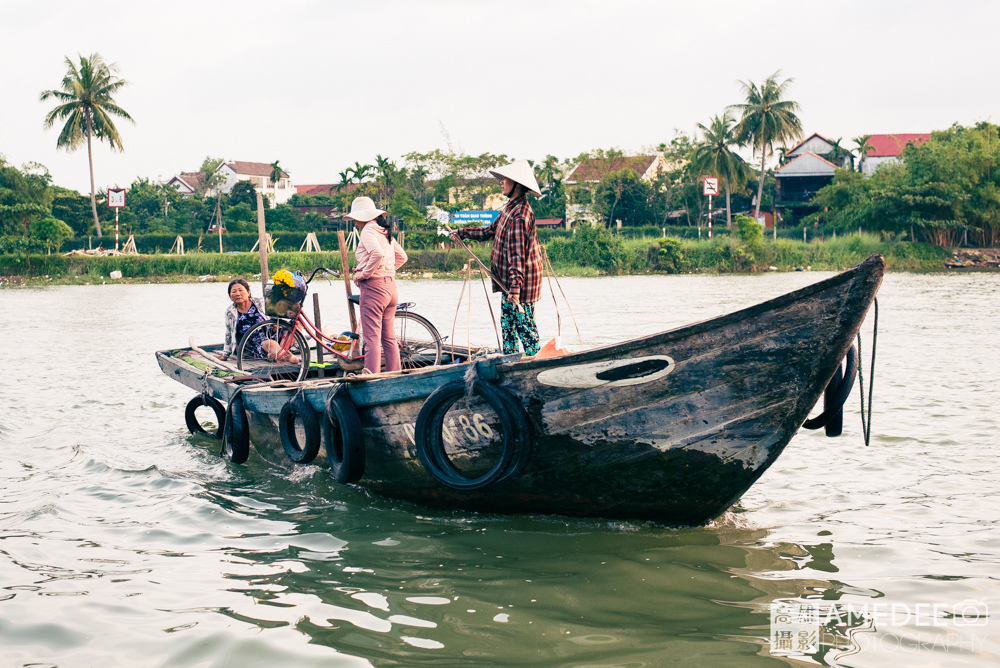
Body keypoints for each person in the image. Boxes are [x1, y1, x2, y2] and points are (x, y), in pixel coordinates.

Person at [451, 159, 542, 356]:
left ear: (517, 184)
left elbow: (517, 256)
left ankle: (535, 367)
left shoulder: (520, 215)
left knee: (527, 334)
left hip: (520, 287)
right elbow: (488, 231)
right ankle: (511, 363)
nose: (501, 182)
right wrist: (463, 232)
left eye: (505, 179)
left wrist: (515, 290)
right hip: (508, 285)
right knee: (508, 330)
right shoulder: (509, 209)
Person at [346, 196, 408, 374]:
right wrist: (385, 271)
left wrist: (364, 273)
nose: (354, 223)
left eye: (355, 219)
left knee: (372, 337)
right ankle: (394, 375)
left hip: (374, 289)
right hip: (390, 288)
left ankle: (371, 377)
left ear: (361, 217)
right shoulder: (383, 230)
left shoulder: (368, 231)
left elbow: (377, 254)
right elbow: (402, 257)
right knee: (389, 338)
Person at [216, 278, 296, 363]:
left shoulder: (261, 302)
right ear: (230, 296)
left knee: (296, 324)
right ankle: (285, 356)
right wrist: (225, 354)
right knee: (270, 344)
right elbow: (228, 333)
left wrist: (276, 323)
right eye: (234, 291)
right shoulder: (230, 312)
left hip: (272, 333)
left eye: (240, 290)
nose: (238, 294)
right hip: (255, 343)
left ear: (248, 292)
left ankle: (279, 353)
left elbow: (274, 314)